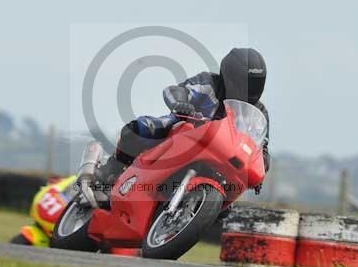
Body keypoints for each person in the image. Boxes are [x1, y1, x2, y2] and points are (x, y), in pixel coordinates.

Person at [97, 47, 270, 187]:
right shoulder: (209, 83)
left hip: (221, 161)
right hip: (184, 131)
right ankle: (112, 169)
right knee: (141, 128)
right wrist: (181, 103)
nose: (251, 89)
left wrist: (258, 171)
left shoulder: (258, 114)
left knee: (225, 208)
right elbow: (176, 91)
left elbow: (261, 150)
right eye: (247, 82)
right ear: (231, 76)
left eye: (256, 83)